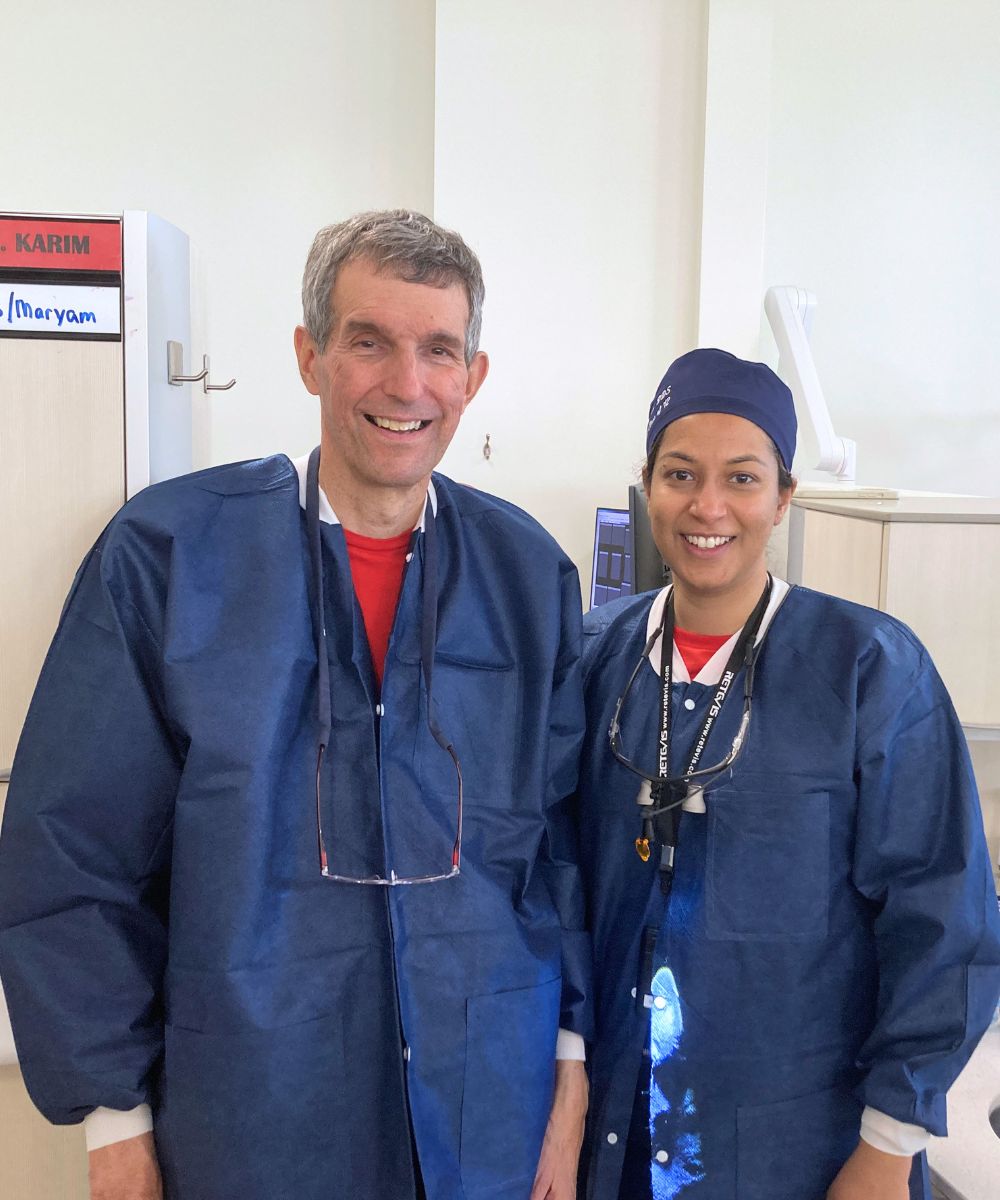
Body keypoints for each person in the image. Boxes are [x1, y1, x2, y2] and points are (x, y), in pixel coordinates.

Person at [0, 210, 591, 1200]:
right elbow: (74, 848)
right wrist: (114, 1119)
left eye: (438, 350)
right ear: (310, 356)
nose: (406, 384)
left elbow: (570, 851)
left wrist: (568, 1084)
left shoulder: (527, 578)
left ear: (472, 378)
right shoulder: (171, 561)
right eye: (369, 342)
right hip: (250, 1112)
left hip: (486, 1105)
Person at [574, 349, 1000, 1200]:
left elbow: (944, 920)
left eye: (742, 477)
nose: (708, 507)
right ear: (647, 484)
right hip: (614, 1121)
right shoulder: (594, 655)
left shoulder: (870, 670)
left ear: (783, 496)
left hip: (802, 1140)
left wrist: (887, 1144)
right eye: (680, 473)